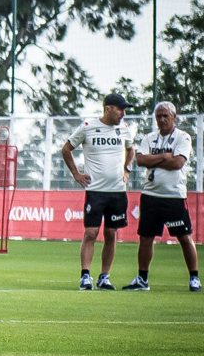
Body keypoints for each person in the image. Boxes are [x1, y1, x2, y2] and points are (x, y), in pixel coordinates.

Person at [61, 93, 136, 290]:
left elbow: (131, 149)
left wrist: (127, 170)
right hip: (95, 191)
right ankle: (85, 276)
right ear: (108, 108)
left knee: (111, 233)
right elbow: (66, 149)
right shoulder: (88, 127)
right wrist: (76, 174)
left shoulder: (124, 129)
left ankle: (104, 277)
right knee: (91, 233)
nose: (123, 113)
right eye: (120, 109)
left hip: (118, 191)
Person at [122, 102, 200, 292]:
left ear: (174, 116)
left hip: (174, 196)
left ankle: (194, 278)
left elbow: (178, 163)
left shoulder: (183, 137)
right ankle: (142, 279)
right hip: (150, 195)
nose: (162, 120)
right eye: (158, 116)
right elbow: (141, 160)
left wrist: (155, 160)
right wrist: (166, 156)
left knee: (184, 237)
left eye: (165, 116)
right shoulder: (149, 138)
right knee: (146, 237)